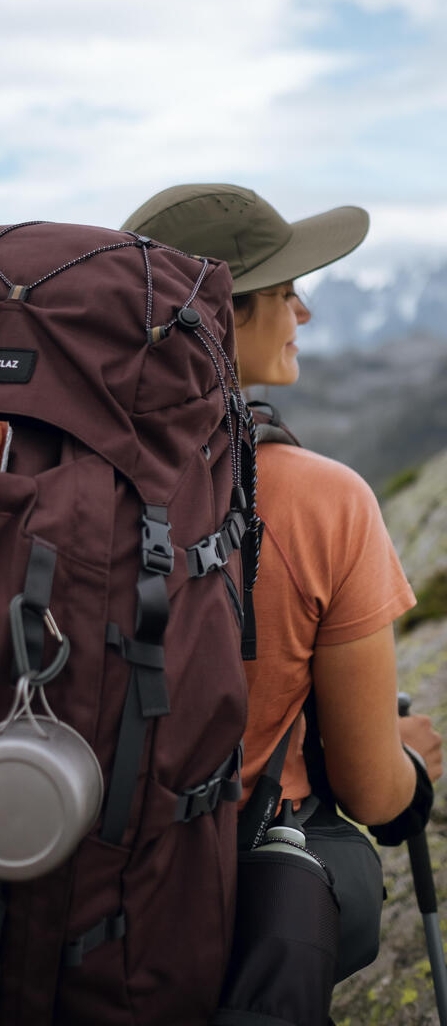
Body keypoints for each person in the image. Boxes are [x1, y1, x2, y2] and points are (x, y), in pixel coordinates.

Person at [121, 183, 442, 980]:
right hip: (221, 891)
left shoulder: (56, 484)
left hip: (56, 864)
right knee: (348, 871)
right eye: (288, 292)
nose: (304, 315)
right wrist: (409, 767)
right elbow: (374, 796)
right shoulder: (321, 497)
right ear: (227, 314)